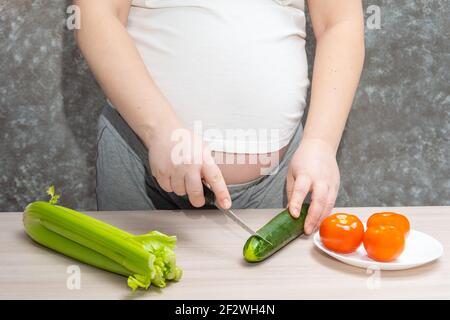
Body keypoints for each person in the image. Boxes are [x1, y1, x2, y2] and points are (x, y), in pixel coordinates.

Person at [75, 0, 365, 235]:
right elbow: (95, 14)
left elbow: (338, 22)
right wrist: (161, 131)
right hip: (139, 162)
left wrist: (321, 143)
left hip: (281, 178)